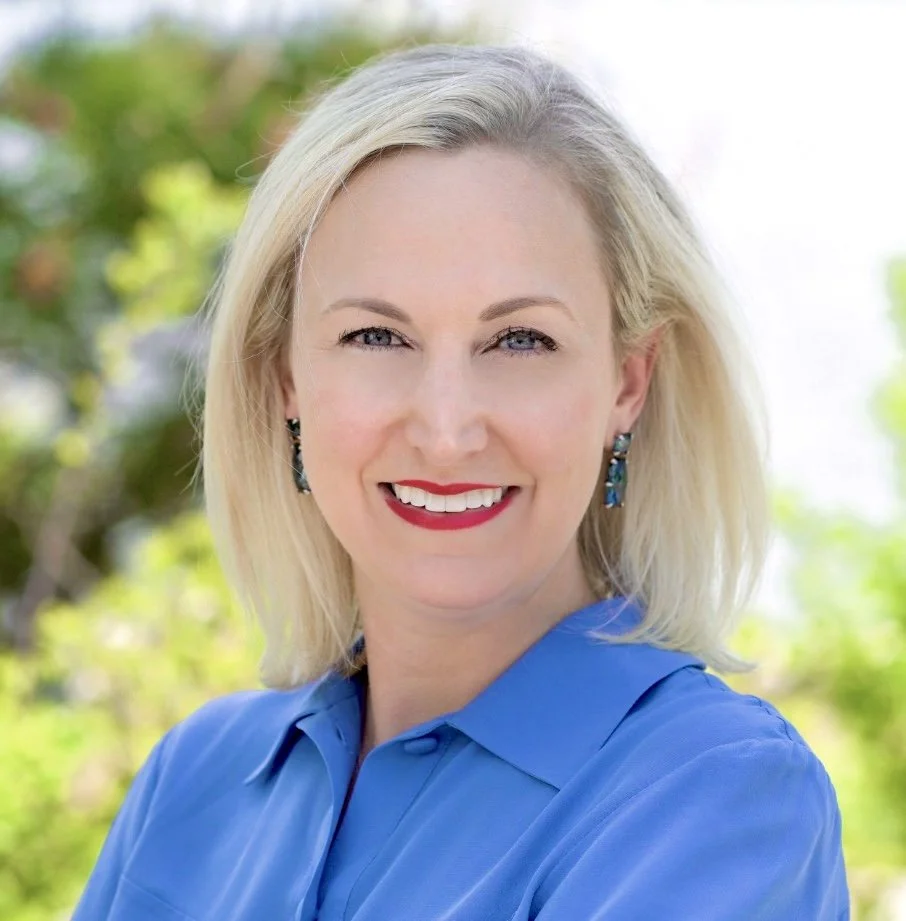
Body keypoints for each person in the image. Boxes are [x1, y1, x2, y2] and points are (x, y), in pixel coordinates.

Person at [72, 43, 850, 920]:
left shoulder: (714, 793)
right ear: (287, 377)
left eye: (520, 341)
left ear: (627, 383)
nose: (446, 432)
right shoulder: (193, 782)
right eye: (377, 337)